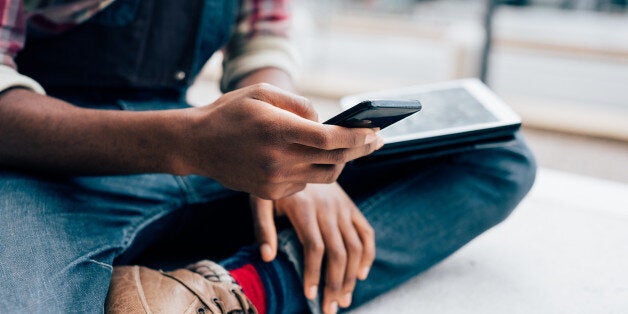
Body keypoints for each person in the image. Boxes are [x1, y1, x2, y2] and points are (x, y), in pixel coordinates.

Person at [0, 0, 536, 313]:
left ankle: (208, 294)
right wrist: (186, 141)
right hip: (49, 166)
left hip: (207, 146)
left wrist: (296, 149)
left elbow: (264, 43)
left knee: (495, 154)